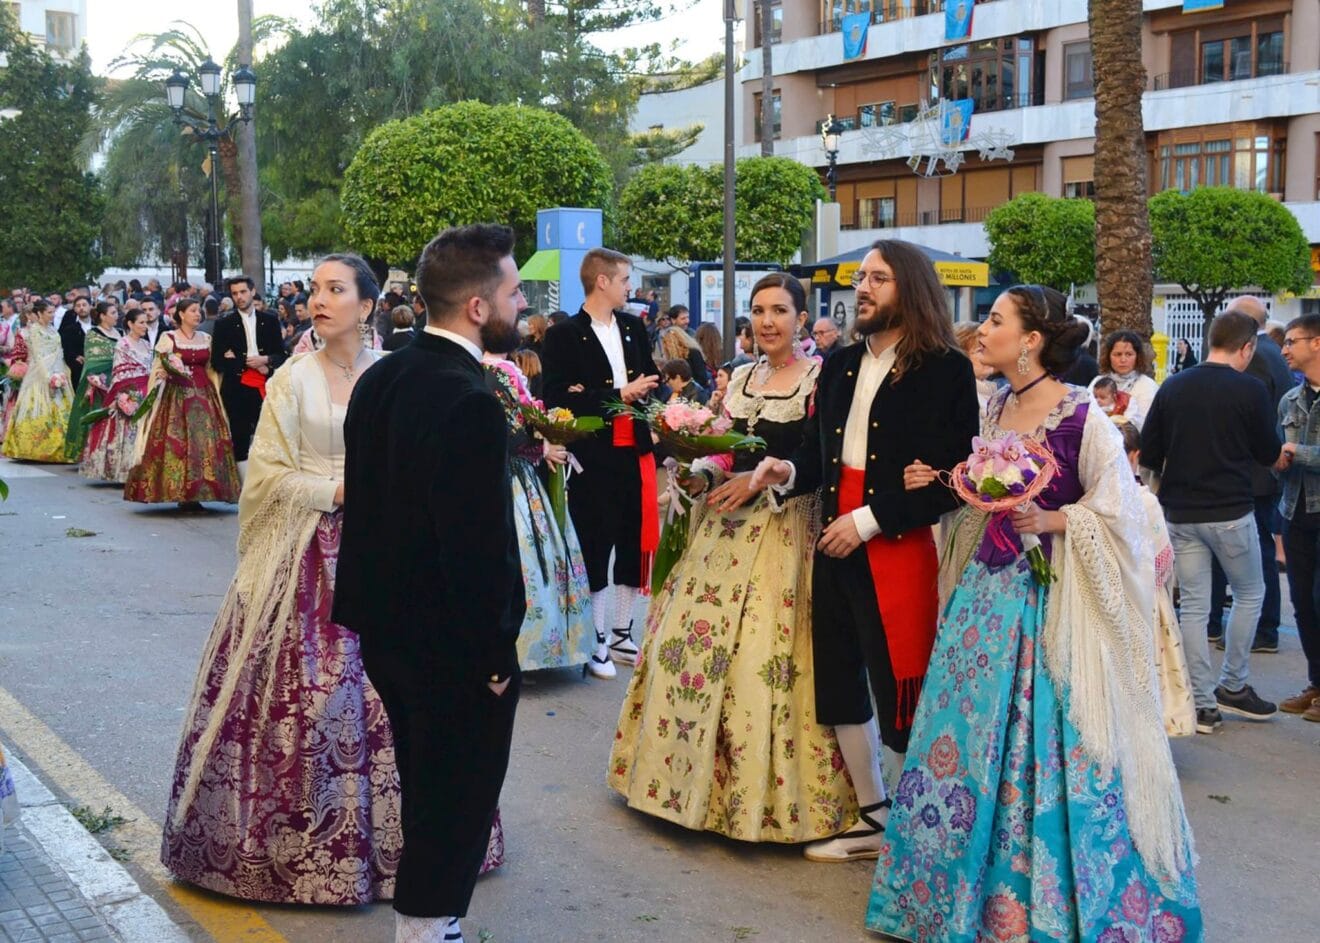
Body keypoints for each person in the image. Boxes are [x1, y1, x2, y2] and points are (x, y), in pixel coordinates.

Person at [874, 285, 1202, 940]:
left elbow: (1125, 513)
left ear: (1030, 340)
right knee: (968, 747)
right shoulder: (996, 404)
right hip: (985, 602)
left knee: (1051, 749)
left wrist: (1055, 517)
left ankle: (1054, 909)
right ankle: (949, 902)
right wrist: (943, 478)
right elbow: (986, 486)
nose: (983, 330)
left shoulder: (1083, 414)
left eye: (996, 321)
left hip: (1050, 605)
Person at [161, 255, 415, 904]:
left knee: (391, 694)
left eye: (337, 290)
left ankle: (405, 847)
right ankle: (284, 849)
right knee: (307, 697)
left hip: (383, 553)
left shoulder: (393, 375)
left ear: (367, 303)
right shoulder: (292, 380)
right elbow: (267, 474)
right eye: (318, 290)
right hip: (305, 552)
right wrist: (334, 487)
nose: (321, 300)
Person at [751, 239, 979, 863]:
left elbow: (952, 476)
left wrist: (871, 519)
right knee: (838, 674)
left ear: (909, 286)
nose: (864, 287)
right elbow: (815, 446)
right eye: (861, 278)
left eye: (878, 277)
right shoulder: (842, 362)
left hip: (896, 540)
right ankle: (875, 817)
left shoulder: (945, 368)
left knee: (900, 680)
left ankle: (913, 826)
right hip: (832, 531)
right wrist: (788, 470)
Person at [610, 273, 857, 842]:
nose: (767, 322)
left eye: (779, 311)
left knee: (758, 663)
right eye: (758, 311)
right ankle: (676, 784)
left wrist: (765, 478)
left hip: (781, 529)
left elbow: (820, 459)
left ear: (801, 317)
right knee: (683, 647)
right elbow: (722, 447)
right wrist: (699, 472)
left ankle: (760, 803)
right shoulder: (740, 377)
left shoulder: (823, 379)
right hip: (721, 530)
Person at [333, 224, 526, 943]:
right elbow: (476, 551)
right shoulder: (467, 398)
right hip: (450, 644)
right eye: (513, 292)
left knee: (428, 785)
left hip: (385, 630)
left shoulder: (382, 375)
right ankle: (424, 927)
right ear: (478, 307)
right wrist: (497, 659)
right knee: (455, 795)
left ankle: (425, 922)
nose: (522, 304)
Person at [1140, 311, 1285, 734]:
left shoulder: (1174, 385)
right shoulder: (1251, 389)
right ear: (1247, 348)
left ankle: (1201, 704)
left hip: (1180, 512)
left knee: (1196, 605)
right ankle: (1233, 685)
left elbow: (1150, 451)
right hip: (1230, 511)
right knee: (1250, 593)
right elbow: (1267, 451)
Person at [541, 248, 661, 680]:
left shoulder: (633, 327)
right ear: (603, 281)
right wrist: (618, 393)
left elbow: (650, 380)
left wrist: (602, 390)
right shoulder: (564, 335)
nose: (631, 287)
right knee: (596, 541)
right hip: (594, 453)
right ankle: (596, 640)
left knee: (633, 537)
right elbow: (557, 397)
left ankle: (623, 629)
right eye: (626, 279)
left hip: (636, 449)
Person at [482, 334, 594, 674]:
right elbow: (516, 429)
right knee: (527, 558)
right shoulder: (502, 371)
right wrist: (542, 446)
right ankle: (529, 647)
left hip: (499, 476)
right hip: (513, 479)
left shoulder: (475, 368)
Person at [1204, 296, 1293, 654]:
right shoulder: (1270, 354)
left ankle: (1263, 630)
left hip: (1250, 474)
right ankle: (1259, 628)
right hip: (1258, 471)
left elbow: (1244, 419)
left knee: (1252, 557)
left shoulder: (1254, 358)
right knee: (1255, 553)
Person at [1117, 418, 1196, 737]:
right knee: (1147, 665)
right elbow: (1162, 558)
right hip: (1145, 597)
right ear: (1136, 455)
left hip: (1115, 591)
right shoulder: (1145, 500)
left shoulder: (1089, 498)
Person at [124, 297, 242, 509]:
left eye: (199, 311)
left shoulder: (206, 338)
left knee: (204, 442)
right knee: (175, 442)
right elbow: (159, 366)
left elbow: (212, 367)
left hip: (204, 394)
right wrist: (163, 372)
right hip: (176, 395)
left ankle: (200, 491)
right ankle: (177, 491)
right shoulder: (168, 338)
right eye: (193, 311)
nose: (198, 314)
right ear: (181, 314)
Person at [1275, 314, 1320, 722]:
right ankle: (1316, 683)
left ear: (1317, 343)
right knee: (1303, 603)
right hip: (1296, 511)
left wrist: (1295, 454)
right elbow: (1278, 453)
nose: (1285, 348)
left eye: (1292, 341)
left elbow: (1294, 451)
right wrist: (1277, 461)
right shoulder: (1289, 400)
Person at [211, 275, 287, 477]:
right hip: (237, 387)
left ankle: (268, 481)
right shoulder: (224, 324)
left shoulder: (269, 321)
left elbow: (282, 355)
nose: (239, 297)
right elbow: (217, 361)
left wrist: (266, 361)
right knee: (240, 436)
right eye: (235, 293)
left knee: (270, 435)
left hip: (265, 385)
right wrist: (243, 361)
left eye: (243, 292)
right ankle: (245, 488)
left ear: (252, 292)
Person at [80, 309, 153, 483]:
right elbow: (119, 372)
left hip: (148, 390)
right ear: (130, 324)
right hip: (130, 390)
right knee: (126, 432)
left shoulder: (147, 344)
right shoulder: (123, 344)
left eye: (146, 322)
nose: (145, 326)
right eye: (141, 322)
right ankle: (124, 471)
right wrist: (126, 396)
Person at [2, 300, 75, 463]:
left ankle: (62, 447)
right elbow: (38, 355)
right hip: (40, 376)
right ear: (40, 313)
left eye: (53, 311)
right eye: (49, 312)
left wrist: (62, 373)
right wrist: (49, 377)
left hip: (58, 370)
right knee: (37, 408)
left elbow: (59, 352)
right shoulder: (35, 330)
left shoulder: (53, 330)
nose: (52, 315)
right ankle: (35, 447)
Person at [63, 301, 120, 462]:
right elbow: (93, 360)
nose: (117, 316)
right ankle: (90, 452)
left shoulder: (120, 332)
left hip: (117, 380)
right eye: (113, 313)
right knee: (96, 416)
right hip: (97, 382)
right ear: (102, 316)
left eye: (117, 312)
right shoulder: (93, 334)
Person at [1090, 329, 1157, 428]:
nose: (1123, 360)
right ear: (1109, 356)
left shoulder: (1147, 386)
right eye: (1118, 354)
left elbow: (1145, 425)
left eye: (1129, 354)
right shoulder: (1097, 381)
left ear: (1137, 357)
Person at [953, 321, 997, 419]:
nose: (988, 355)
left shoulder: (993, 392)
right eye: (980, 351)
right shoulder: (963, 398)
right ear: (961, 357)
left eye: (988, 348)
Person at [658, 325, 711, 392]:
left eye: (666, 342)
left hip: (694, 391)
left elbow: (701, 377)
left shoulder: (693, 353)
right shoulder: (671, 359)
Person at [57, 295, 93, 387]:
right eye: (78, 305)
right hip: (79, 370)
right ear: (74, 309)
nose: (81, 308)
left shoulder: (98, 326)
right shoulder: (69, 329)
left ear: (90, 306)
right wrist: (75, 357)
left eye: (84, 305)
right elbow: (66, 348)